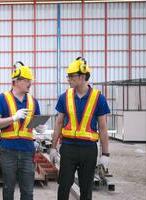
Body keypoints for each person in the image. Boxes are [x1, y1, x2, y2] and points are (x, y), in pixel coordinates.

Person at [50, 57, 110, 200]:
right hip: (68, 148)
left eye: (71, 76)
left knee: (86, 189)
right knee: (64, 186)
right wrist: (53, 147)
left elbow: (102, 127)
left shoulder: (98, 98)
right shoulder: (65, 97)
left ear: (82, 77)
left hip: (88, 150)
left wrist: (105, 154)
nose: (68, 79)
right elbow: (58, 123)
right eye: (68, 76)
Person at [0, 61, 46, 200]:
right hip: (8, 151)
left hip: (27, 151)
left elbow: (35, 123)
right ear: (17, 81)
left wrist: (39, 127)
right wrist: (14, 118)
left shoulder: (33, 102)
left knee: (27, 191)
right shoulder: (2, 99)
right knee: (8, 189)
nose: (30, 83)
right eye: (27, 80)